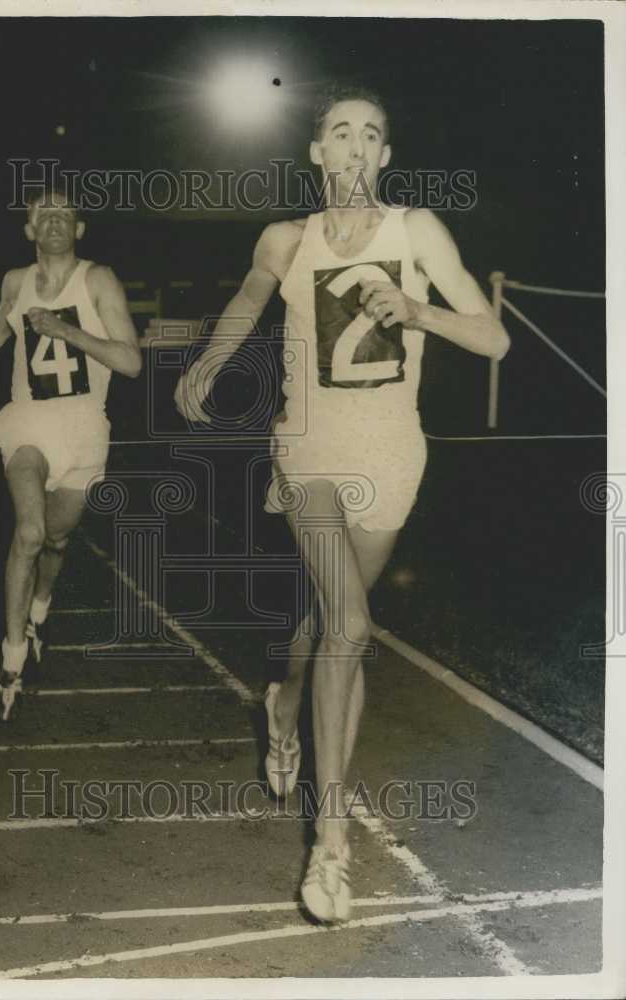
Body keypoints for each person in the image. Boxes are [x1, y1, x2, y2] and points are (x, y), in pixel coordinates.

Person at [175, 82, 510, 923]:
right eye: (339, 132)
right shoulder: (284, 238)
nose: (354, 146)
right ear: (317, 153)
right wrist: (212, 361)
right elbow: (248, 299)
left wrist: (416, 309)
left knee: (331, 627)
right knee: (351, 629)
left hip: (393, 451)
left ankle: (282, 706)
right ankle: (329, 849)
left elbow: (492, 335)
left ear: (384, 156)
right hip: (308, 449)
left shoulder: (416, 231)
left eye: (371, 133)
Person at [0, 186, 141, 721]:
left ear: (79, 228)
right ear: (28, 231)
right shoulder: (15, 283)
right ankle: (12, 655)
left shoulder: (99, 279)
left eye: (64, 215)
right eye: (43, 215)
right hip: (28, 422)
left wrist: (64, 328)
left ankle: (40, 611)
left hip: (85, 426)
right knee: (30, 532)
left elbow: (131, 362)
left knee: (58, 540)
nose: (54, 222)